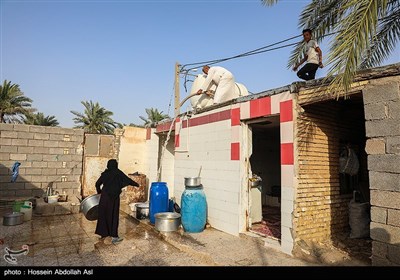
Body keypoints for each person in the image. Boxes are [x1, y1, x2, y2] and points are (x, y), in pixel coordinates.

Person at [95, 159, 139, 244]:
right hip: (114, 198)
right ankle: (114, 236)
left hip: (105, 197)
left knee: (103, 214)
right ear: (116, 165)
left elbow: (97, 184)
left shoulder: (105, 174)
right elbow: (128, 180)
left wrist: (99, 192)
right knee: (113, 216)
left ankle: (103, 233)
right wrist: (136, 184)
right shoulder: (118, 173)